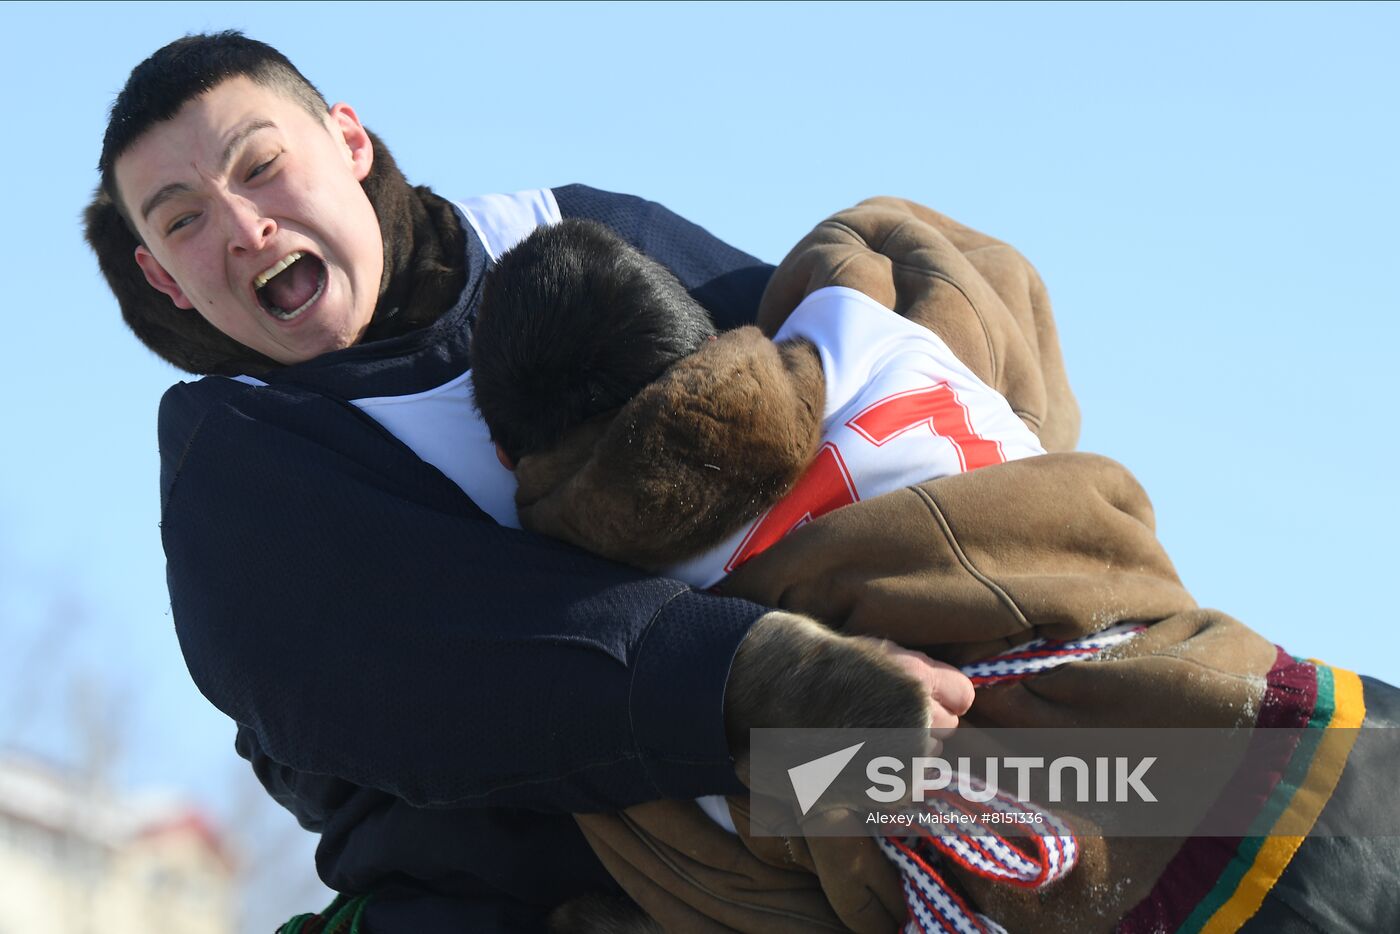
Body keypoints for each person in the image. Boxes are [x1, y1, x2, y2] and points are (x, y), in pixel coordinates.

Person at [86, 31, 975, 933]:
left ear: (349, 142)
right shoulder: (234, 456)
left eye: (261, 166)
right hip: (544, 888)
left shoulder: (572, 234)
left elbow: (843, 396)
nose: (245, 228)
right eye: (183, 221)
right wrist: (765, 683)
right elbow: (441, 670)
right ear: (163, 278)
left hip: (843, 746)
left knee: (1052, 789)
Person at [467, 200, 1400, 934]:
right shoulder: (871, 335)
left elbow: (754, 888)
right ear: (701, 334)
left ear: (512, 461)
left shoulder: (661, 636)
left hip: (1114, 892)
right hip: (1299, 741)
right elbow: (934, 252)